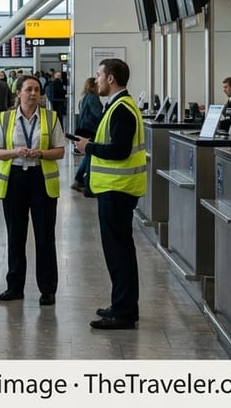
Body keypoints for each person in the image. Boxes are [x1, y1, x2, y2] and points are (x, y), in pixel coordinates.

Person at [73, 58, 146, 330]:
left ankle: (123, 311)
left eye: (99, 75)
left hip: (117, 190)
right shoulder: (119, 106)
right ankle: (124, 305)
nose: (96, 80)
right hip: (116, 190)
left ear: (111, 78)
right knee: (121, 250)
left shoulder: (121, 109)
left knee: (118, 252)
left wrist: (88, 148)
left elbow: (119, 151)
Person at [0, 75, 65, 306]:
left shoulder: (51, 118)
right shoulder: (5, 119)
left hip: (41, 179)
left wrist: (41, 153)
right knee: (15, 236)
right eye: (28, 90)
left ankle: (48, 289)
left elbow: (60, 150)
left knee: (45, 236)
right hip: (14, 179)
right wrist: (15, 152)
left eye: (37, 90)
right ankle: (15, 286)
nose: (33, 94)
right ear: (18, 93)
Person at [72, 77, 103, 192]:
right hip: (91, 130)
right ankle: (88, 184)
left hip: (84, 129)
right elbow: (98, 114)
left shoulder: (85, 98)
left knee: (89, 155)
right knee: (91, 156)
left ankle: (78, 180)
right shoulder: (92, 98)